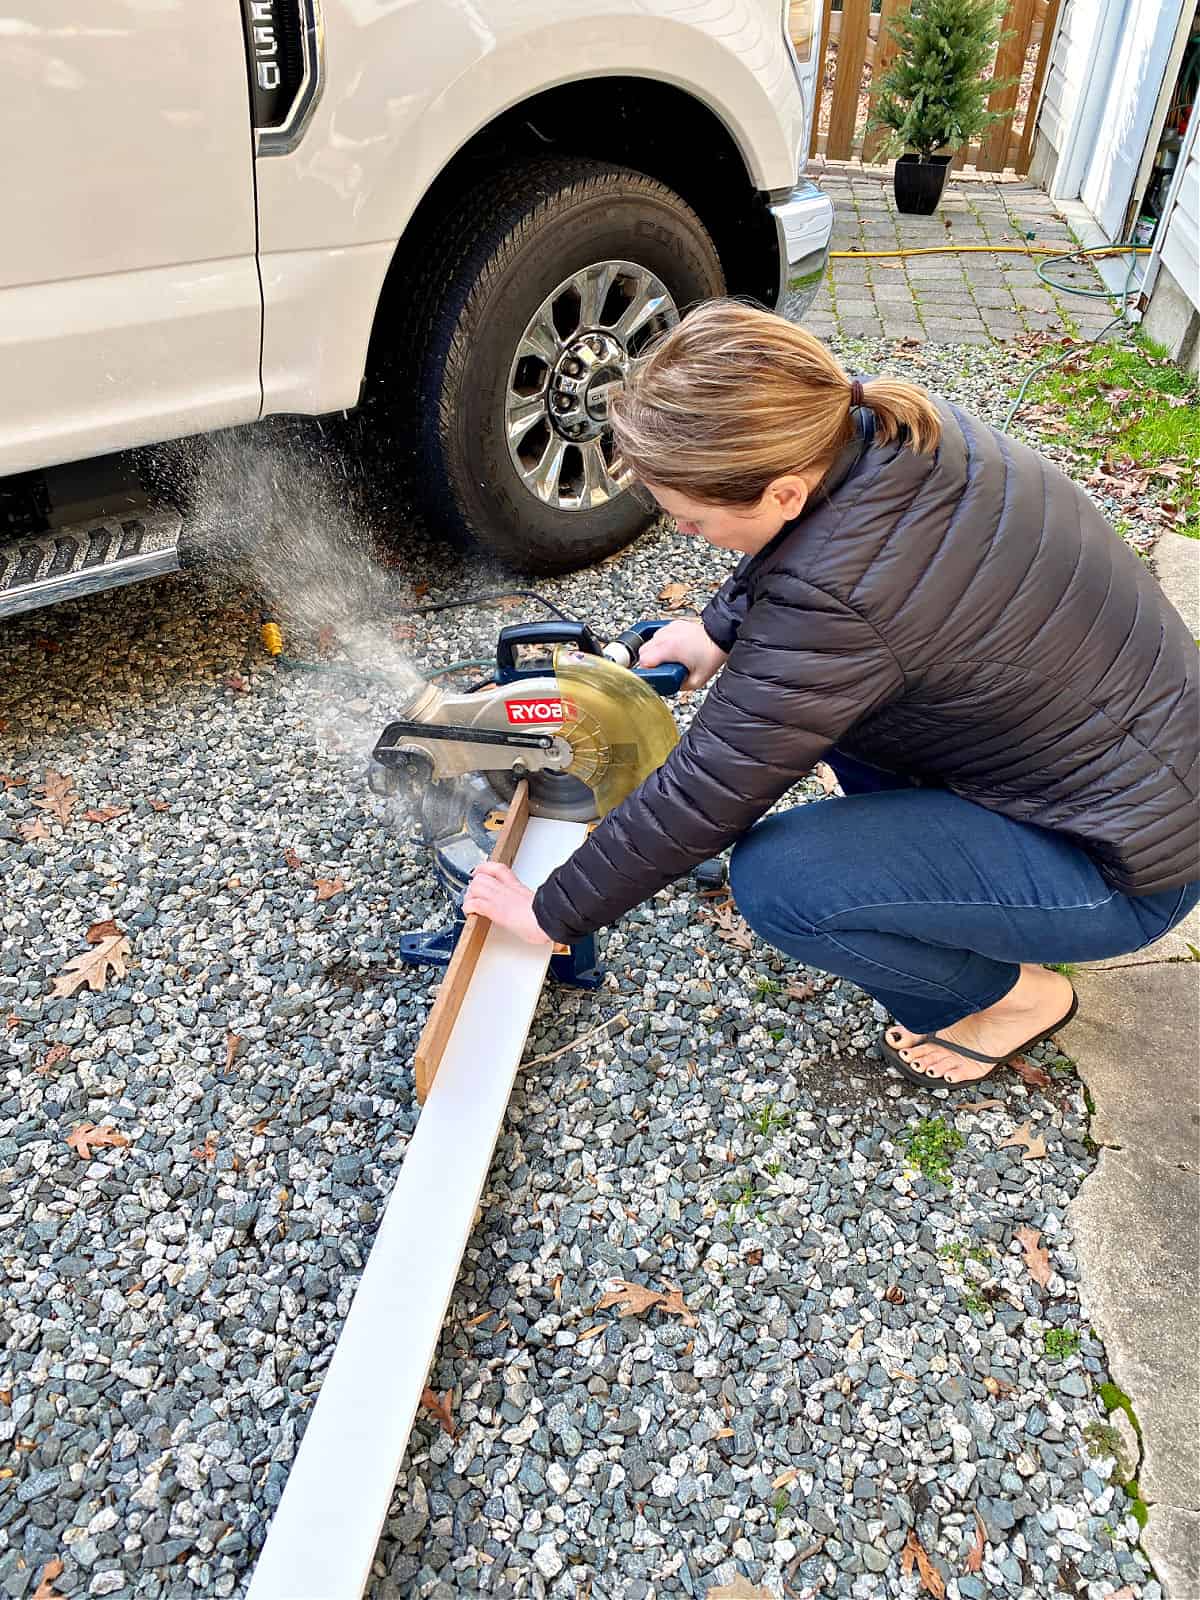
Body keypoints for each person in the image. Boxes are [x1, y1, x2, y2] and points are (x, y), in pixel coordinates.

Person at [463, 300, 1200, 1088]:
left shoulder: (834, 606)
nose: (685, 534)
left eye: (694, 520)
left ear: (781, 491)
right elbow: (818, 557)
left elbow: (706, 793)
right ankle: (972, 902)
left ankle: (1012, 997)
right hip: (1138, 789)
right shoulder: (882, 427)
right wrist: (718, 629)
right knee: (843, 716)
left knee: (783, 881)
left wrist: (549, 914)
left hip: (1119, 873)